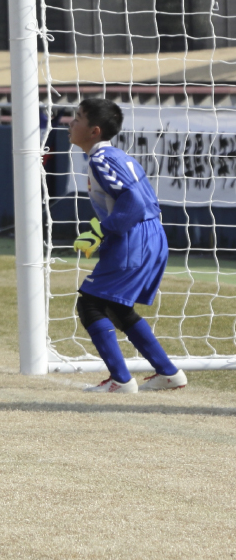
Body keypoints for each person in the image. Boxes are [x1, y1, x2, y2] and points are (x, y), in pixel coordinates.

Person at [68, 98, 186, 393]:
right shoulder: (115, 156)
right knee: (116, 307)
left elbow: (133, 200)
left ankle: (121, 380)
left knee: (90, 303)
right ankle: (168, 374)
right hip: (148, 234)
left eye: (77, 118)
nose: (71, 123)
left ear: (94, 130)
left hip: (135, 236)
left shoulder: (101, 159)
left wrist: (99, 231)